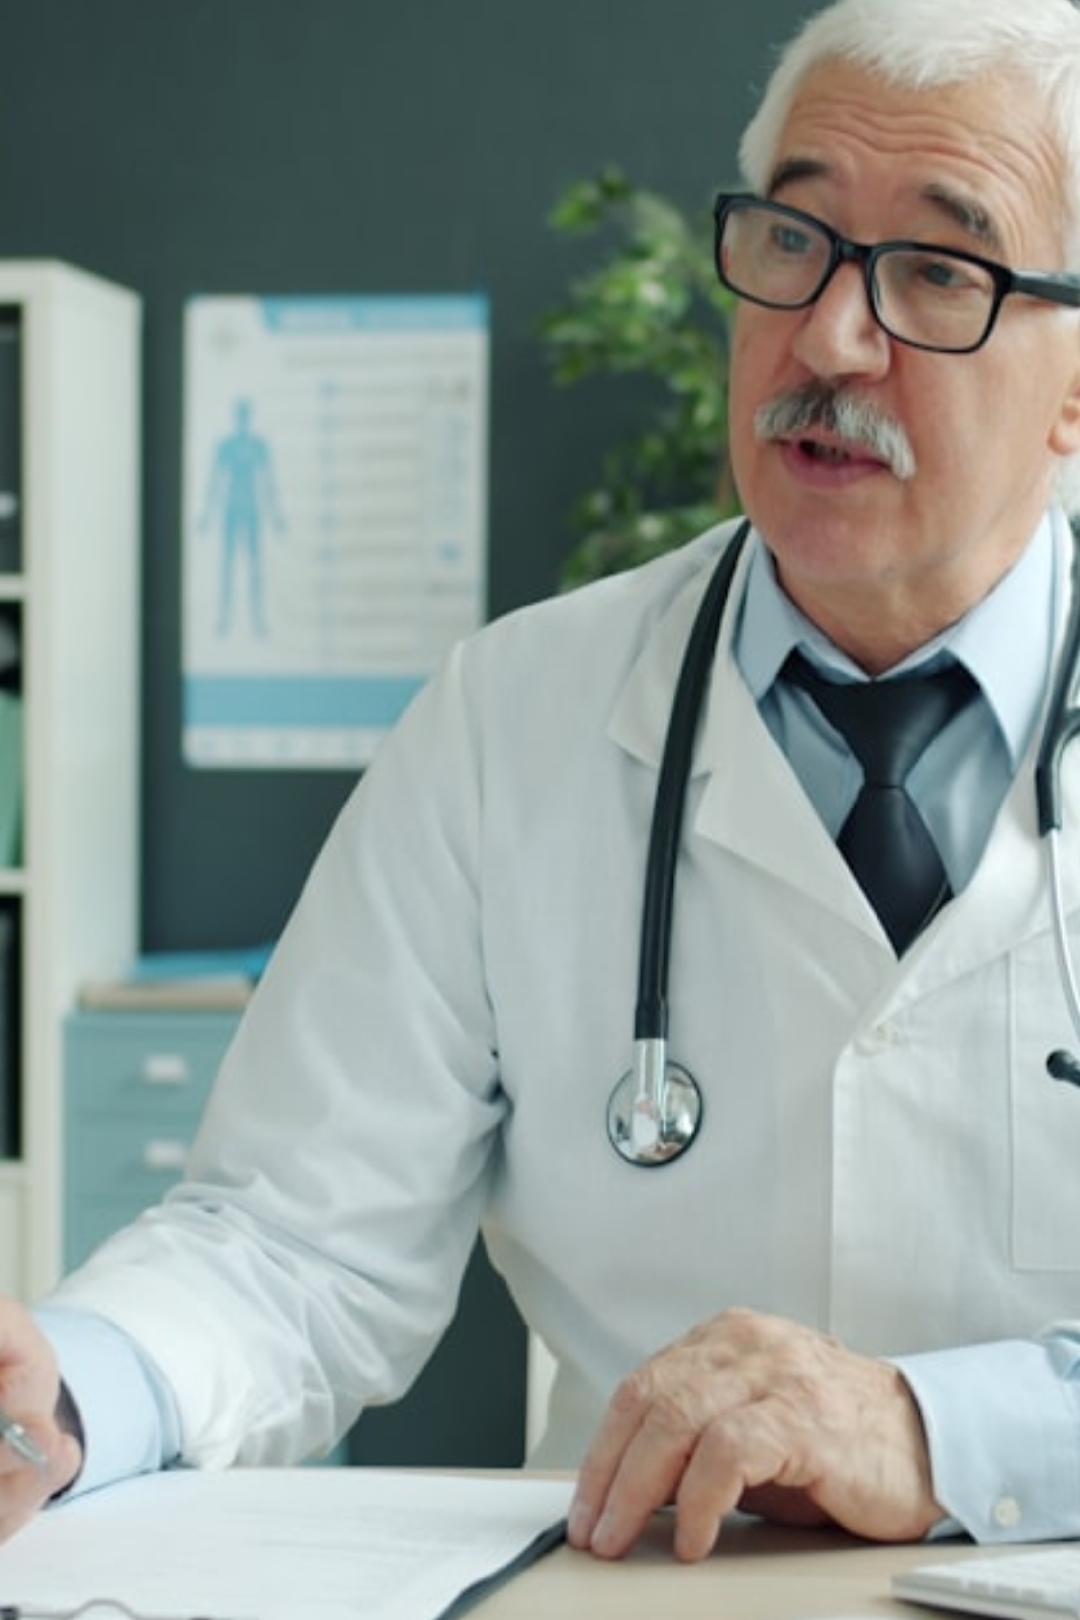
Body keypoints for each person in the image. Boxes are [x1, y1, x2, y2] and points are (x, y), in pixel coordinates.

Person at [6, 0, 1080, 1564]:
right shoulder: (514, 718)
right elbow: (296, 1240)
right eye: (794, 239)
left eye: (937, 269)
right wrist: (72, 1388)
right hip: (638, 1596)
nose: (832, 338)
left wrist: (931, 1431)